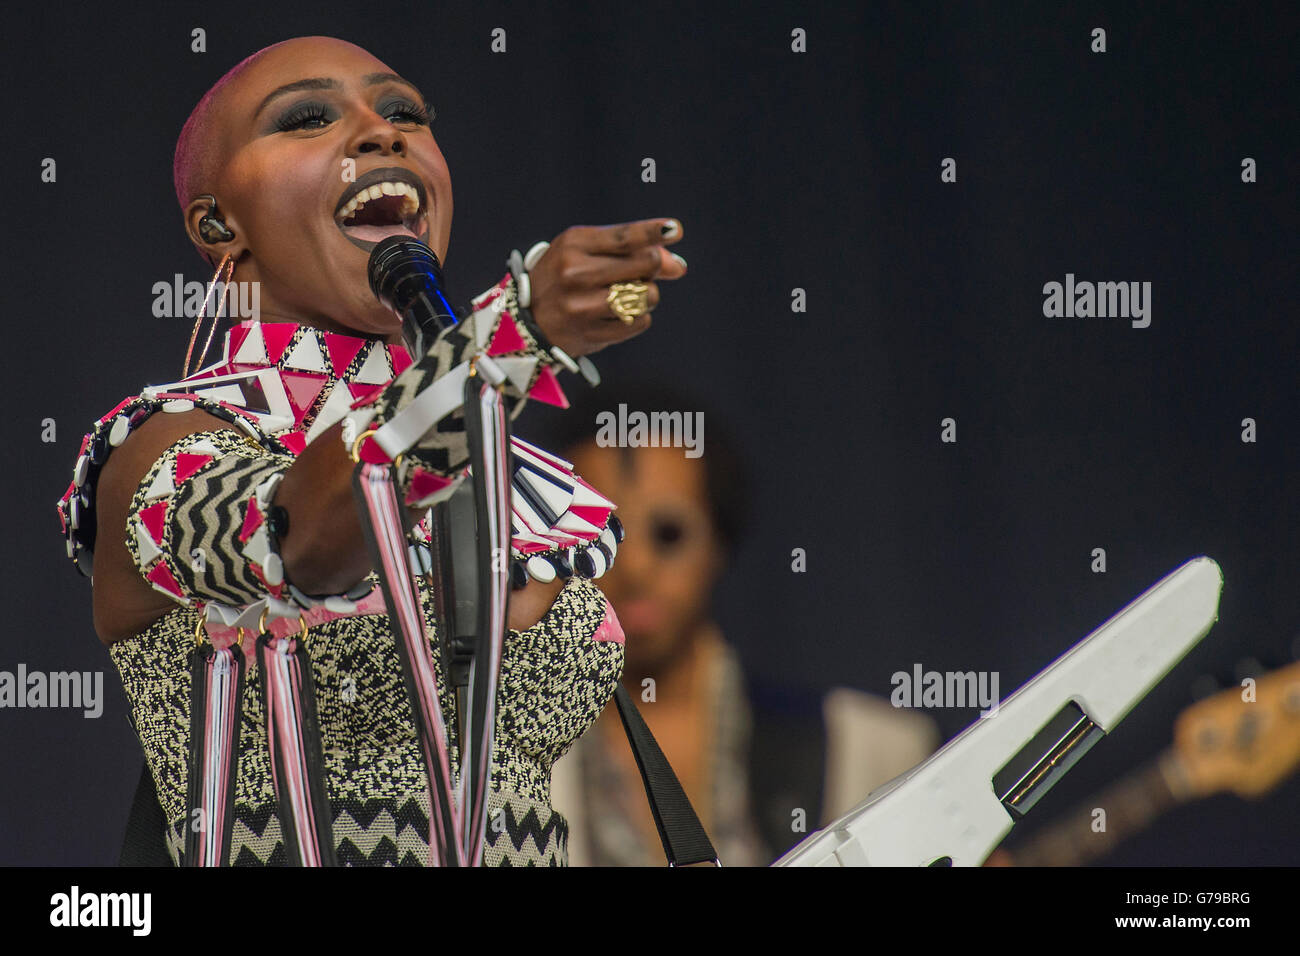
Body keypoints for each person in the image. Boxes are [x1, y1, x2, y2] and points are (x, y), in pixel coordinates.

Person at [55, 35, 687, 866]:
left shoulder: (492, 454)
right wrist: (502, 346)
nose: (380, 134)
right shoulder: (165, 446)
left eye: (404, 114)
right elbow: (300, 543)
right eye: (308, 118)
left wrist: (489, 362)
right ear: (218, 224)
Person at [543, 384, 941, 864]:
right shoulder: (500, 772)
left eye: (668, 533)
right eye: (600, 540)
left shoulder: (865, 751)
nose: (635, 569)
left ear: (719, 543)